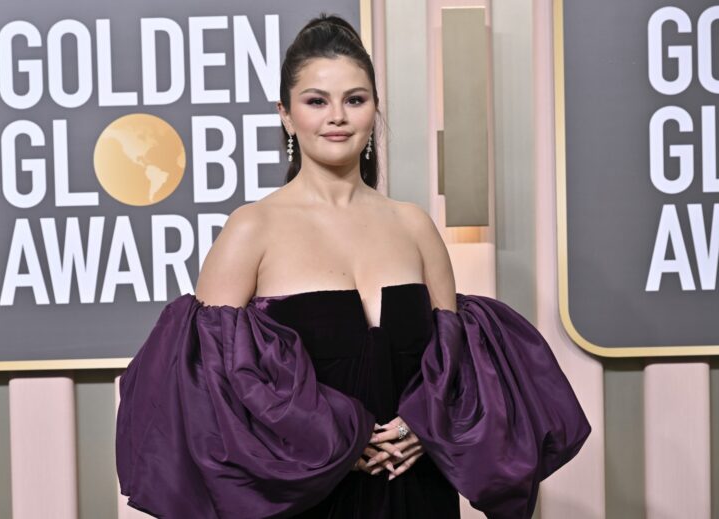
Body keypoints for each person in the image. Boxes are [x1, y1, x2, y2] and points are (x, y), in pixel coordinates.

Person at [115, 13, 591, 519]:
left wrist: (422, 425)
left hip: (415, 490)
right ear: (286, 114)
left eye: (355, 100)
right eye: (316, 101)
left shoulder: (413, 225)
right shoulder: (251, 229)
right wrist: (338, 437)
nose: (337, 117)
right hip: (307, 500)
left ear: (374, 109)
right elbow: (211, 389)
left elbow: (456, 369)